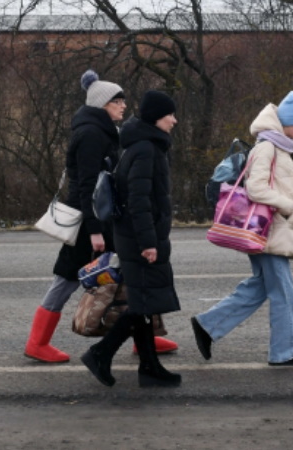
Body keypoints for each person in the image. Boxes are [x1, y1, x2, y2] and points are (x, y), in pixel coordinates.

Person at [24, 70, 178, 363]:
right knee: (67, 278)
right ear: (101, 104)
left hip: (104, 219)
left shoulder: (106, 131)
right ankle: (37, 342)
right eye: (116, 101)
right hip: (88, 222)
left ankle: (143, 339)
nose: (122, 105)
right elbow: (86, 185)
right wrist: (94, 229)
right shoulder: (91, 134)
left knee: (130, 276)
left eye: (122, 100)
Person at [190, 90, 293, 366]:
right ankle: (286, 352)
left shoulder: (275, 145)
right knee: (283, 292)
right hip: (268, 230)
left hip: (269, 229)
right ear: (288, 122)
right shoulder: (267, 147)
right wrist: (287, 206)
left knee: (261, 287)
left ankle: (208, 325)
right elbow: (256, 188)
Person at [81, 90, 182, 387]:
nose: (174, 121)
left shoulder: (143, 146)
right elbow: (138, 201)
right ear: (155, 117)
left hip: (137, 236)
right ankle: (101, 353)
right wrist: (149, 243)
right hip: (140, 239)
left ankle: (150, 367)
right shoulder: (145, 150)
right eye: (170, 115)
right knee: (142, 303)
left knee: (145, 302)